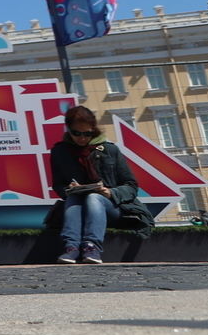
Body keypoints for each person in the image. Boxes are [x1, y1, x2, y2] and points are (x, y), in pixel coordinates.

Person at [46, 105, 142, 264]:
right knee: (73, 199)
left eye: (87, 133)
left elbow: (131, 185)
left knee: (93, 198)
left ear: (93, 130)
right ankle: (71, 247)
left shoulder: (110, 150)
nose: (82, 138)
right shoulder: (60, 152)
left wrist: (110, 193)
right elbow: (58, 185)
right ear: (69, 130)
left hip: (111, 207)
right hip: (77, 206)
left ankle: (92, 247)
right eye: (76, 133)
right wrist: (68, 189)